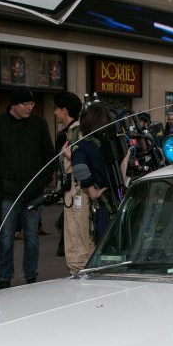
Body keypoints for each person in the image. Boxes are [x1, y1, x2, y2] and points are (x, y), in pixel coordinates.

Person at [0, 87, 53, 288]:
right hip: (7, 192)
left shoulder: (39, 123)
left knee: (32, 237)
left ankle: (31, 276)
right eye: (26, 104)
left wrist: (42, 182)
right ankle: (5, 278)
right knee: (5, 238)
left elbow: (49, 156)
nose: (29, 108)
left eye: (32, 104)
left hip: (34, 192)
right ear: (14, 104)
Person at [70, 103, 118, 244]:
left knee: (105, 249)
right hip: (122, 200)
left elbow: (79, 167)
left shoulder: (83, 145)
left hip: (104, 205)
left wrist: (92, 191)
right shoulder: (113, 142)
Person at [53, 91, 90, 274]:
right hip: (78, 192)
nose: (54, 112)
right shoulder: (74, 132)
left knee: (77, 242)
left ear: (64, 110)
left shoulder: (76, 133)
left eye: (56, 108)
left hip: (78, 194)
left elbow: (83, 167)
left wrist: (71, 157)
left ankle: (79, 278)